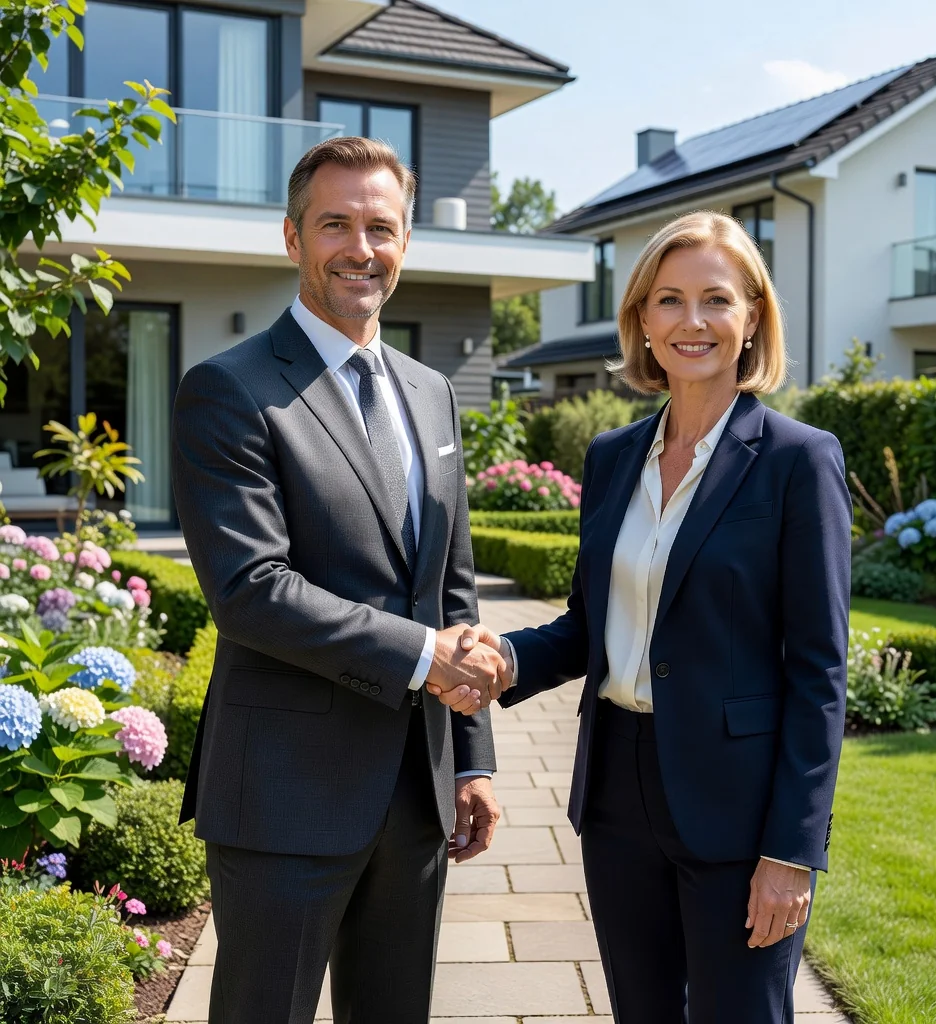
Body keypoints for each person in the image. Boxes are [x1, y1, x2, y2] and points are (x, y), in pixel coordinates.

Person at [431, 210, 851, 1023]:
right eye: (670, 300)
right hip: (617, 791)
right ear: (643, 322)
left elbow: (819, 672)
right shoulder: (613, 456)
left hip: (738, 807)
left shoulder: (800, 459)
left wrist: (792, 851)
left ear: (752, 318)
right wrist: (505, 660)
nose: (693, 321)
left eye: (716, 300)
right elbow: (589, 625)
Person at [171, 136, 507, 1024]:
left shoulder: (431, 392)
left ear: (405, 242)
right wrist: (423, 655)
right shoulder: (228, 389)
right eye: (336, 225)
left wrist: (470, 759)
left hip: (419, 791)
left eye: (381, 227)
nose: (362, 248)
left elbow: (452, 584)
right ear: (292, 237)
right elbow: (251, 588)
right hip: (285, 794)